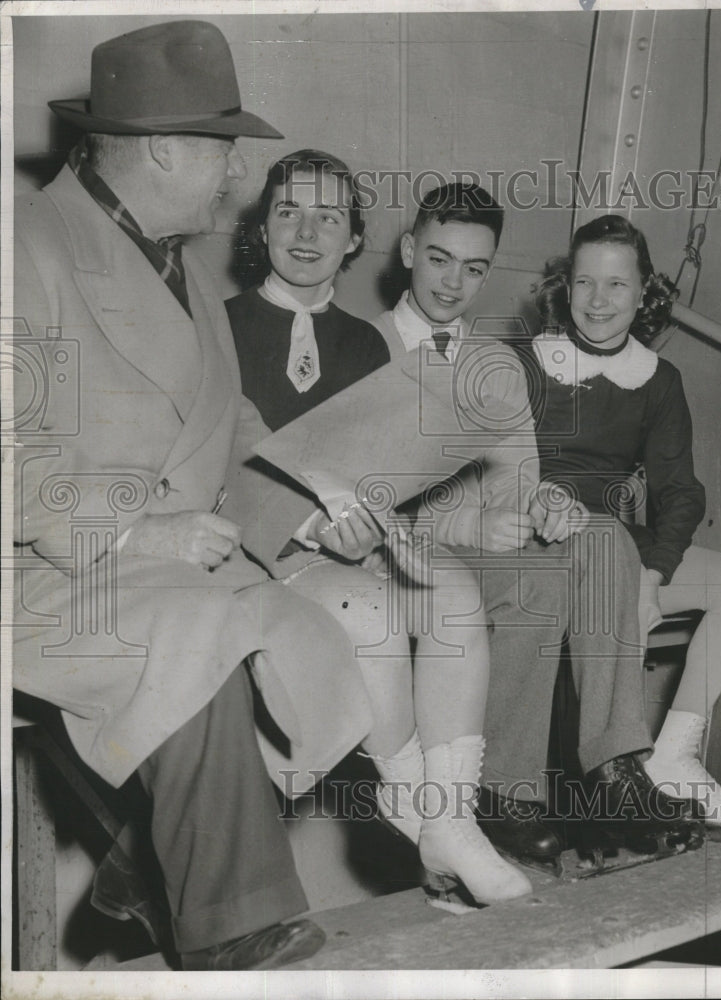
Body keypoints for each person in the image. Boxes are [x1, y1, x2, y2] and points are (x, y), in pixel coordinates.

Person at [12, 21, 390, 971]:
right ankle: (231, 925)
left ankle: (151, 861)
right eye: (226, 152)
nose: (235, 178)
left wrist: (313, 505)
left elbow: (232, 432)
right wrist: (145, 534)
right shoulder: (28, 247)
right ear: (168, 149)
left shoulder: (177, 259)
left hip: (155, 566)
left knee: (305, 624)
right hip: (47, 571)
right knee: (200, 628)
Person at [225, 151, 532, 912]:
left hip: (350, 542)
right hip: (261, 548)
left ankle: (452, 818)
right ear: (259, 226)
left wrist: (381, 520)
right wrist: (312, 521)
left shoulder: (366, 344)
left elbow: (376, 467)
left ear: (354, 239)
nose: (306, 232)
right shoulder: (215, 323)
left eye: (329, 218)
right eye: (289, 212)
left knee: (452, 592)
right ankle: (414, 808)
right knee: (374, 612)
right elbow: (216, 460)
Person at [373, 183, 700, 868]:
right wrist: (471, 522)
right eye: (439, 260)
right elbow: (367, 487)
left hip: (488, 538)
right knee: (540, 580)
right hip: (399, 551)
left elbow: (515, 467)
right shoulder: (364, 347)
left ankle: (608, 769)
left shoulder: (489, 358)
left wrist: (538, 505)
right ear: (407, 253)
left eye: (473, 269)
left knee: (601, 537)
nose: (453, 282)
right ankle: (507, 788)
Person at [531, 213, 721, 830]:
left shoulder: (658, 380)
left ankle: (673, 756)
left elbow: (681, 493)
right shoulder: (525, 365)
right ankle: (616, 773)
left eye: (616, 285)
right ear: (566, 287)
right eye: (585, 283)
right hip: (539, 544)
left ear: (643, 294)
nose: (599, 300)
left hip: (619, 547)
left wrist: (653, 576)